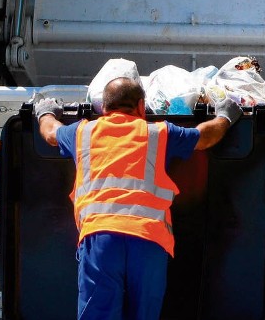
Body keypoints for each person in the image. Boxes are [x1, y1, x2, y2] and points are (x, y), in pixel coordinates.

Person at [34, 77, 243, 320]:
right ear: (142, 107)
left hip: (101, 238)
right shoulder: (158, 132)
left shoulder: (83, 132)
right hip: (148, 240)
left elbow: (50, 133)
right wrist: (225, 117)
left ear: (103, 107)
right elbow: (205, 136)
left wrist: (45, 112)